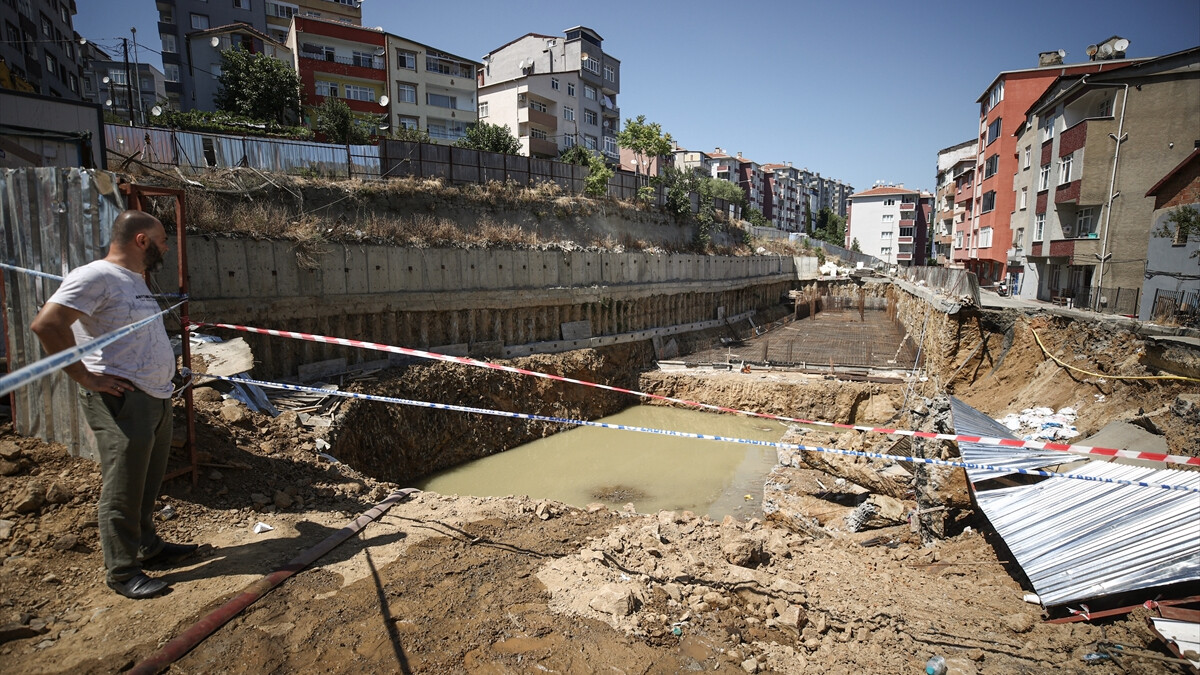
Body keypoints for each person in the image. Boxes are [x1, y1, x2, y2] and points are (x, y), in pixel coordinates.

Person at [31, 210, 197, 600]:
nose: (166, 247)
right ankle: (122, 572)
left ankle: (147, 546)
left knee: (146, 482)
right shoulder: (95, 276)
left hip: (153, 397)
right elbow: (47, 324)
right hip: (123, 401)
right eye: (161, 240)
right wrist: (86, 378)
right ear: (141, 240)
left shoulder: (134, 281)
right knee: (123, 486)